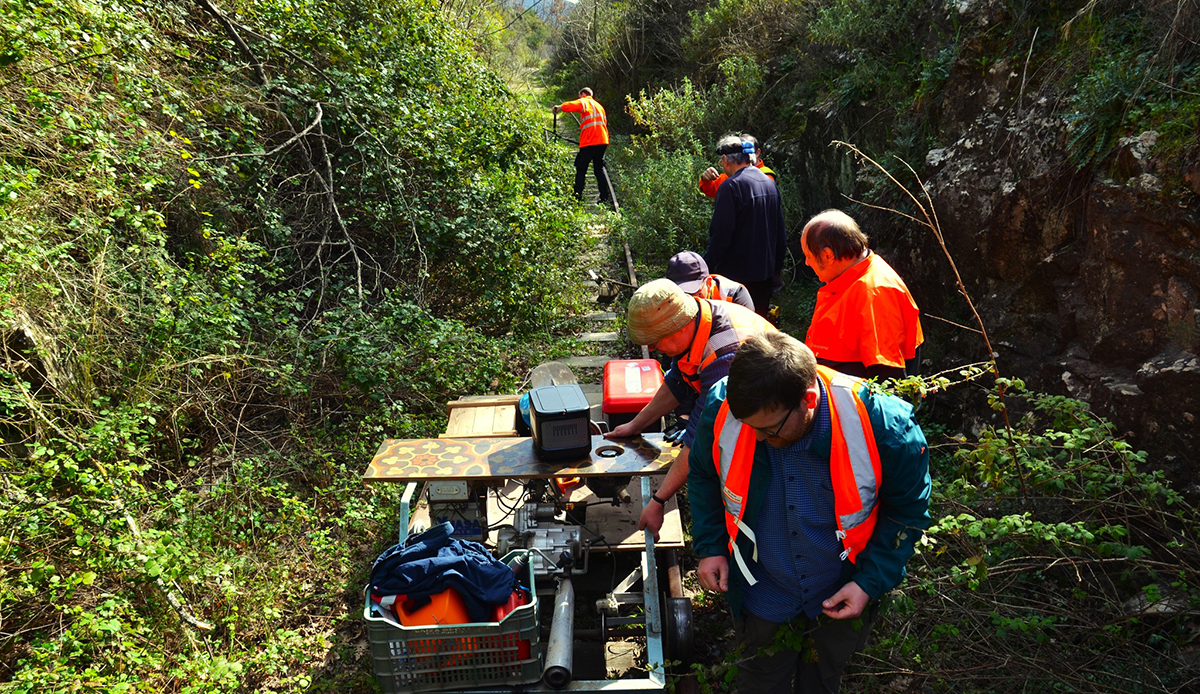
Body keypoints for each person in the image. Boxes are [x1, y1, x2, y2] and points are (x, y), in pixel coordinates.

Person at [688, 331, 931, 693]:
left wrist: (868, 583)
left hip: (842, 588)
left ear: (809, 400)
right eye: (750, 428)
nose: (757, 439)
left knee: (821, 681)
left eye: (769, 430)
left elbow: (907, 512)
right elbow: (703, 476)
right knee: (759, 681)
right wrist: (710, 547)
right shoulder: (724, 407)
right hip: (762, 590)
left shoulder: (884, 423)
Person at [605, 278, 774, 540]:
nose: (654, 349)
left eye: (655, 343)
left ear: (677, 327)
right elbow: (677, 381)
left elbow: (698, 439)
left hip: (771, 429)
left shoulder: (725, 356)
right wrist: (635, 425)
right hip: (748, 409)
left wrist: (658, 501)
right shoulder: (699, 321)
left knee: (744, 491)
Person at [801, 210, 924, 380]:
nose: (807, 263)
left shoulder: (875, 293)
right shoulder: (850, 277)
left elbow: (887, 379)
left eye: (808, 256)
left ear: (828, 255)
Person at [703, 134, 787, 317]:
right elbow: (780, 234)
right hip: (764, 275)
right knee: (759, 325)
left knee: (736, 326)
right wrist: (775, 271)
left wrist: (705, 268)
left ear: (726, 160)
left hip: (736, 279)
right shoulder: (769, 183)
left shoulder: (731, 186)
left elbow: (721, 237)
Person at [553, 88, 612, 205]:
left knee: (581, 169)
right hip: (602, 141)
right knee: (599, 170)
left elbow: (574, 105)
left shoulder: (585, 101)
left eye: (580, 96)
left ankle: (577, 196)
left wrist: (559, 107)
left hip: (590, 141)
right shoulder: (599, 106)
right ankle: (604, 197)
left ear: (583, 94)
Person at [666, 251, 756, 312]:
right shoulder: (667, 299)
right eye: (683, 294)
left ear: (708, 283)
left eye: (695, 293)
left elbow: (750, 329)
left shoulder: (733, 294)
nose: (691, 299)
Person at [698, 133, 776, 199]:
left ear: (757, 152)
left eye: (748, 147)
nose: (743, 151)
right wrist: (705, 179)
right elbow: (711, 189)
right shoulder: (731, 175)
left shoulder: (766, 175)